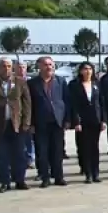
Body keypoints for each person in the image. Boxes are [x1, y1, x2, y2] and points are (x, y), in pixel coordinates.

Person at [0, 58, 31, 192]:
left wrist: (26, 122)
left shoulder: (20, 82)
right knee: (1, 155)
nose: (6, 69)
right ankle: (5, 182)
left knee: (19, 154)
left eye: (9, 66)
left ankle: (20, 180)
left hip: (16, 125)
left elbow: (27, 104)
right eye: (3, 66)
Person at [28, 56, 70, 188]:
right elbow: (29, 105)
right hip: (40, 123)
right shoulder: (32, 84)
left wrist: (68, 119)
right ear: (39, 67)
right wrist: (31, 123)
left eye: (51, 64)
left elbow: (67, 101)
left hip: (57, 122)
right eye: (46, 65)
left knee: (57, 151)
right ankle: (45, 178)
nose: (49, 67)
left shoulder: (60, 81)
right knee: (42, 152)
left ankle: (58, 177)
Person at [70, 62, 105, 183]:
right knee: (84, 147)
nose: (88, 71)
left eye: (90, 69)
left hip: (95, 119)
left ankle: (96, 173)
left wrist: (103, 120)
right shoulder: (74, 85)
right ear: (80, 71)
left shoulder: (97, 84)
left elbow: (102, 103)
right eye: (85, 69)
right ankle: (88, 173)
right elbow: (73, 105)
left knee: (94, 147)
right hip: (82, 121)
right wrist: (76, 121)